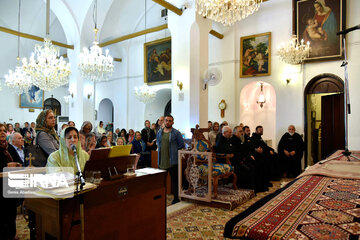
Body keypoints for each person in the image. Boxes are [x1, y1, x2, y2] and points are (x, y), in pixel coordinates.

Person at [0, 124, 22, 240]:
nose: (3, 133)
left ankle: (12, 235)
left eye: (4, 131)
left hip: (10, 186)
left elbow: (18, 161)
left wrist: (17, 165)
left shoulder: (9, 147)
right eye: (0, 131)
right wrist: (6, 166)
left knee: (11, 214)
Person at [157, 115, 184, 204]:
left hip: (173, 161)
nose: (167, 122)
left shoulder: (176, 133)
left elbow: (181, 145)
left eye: (170, 121)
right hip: (162, 161)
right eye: (166, 120)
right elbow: (158, 144)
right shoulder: (159, 132)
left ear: (172, 122)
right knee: (161, 182)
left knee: (174, 182)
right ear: (163, 121)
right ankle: (161, 197)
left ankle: (176, 199)